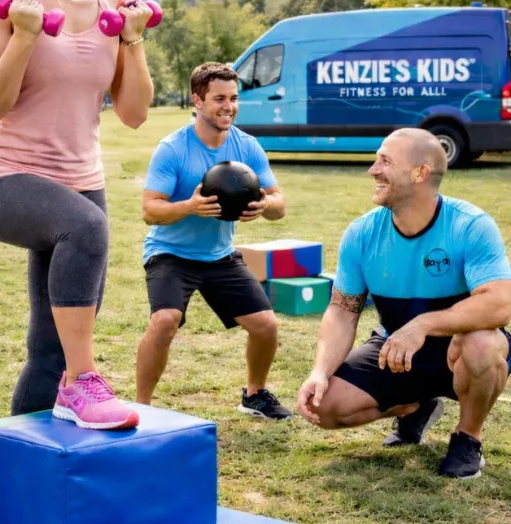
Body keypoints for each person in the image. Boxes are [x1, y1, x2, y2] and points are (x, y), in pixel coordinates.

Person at [0, 0, 154, 429]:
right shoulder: (4, 4)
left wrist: (134, 39)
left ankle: (18, 468)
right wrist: (24, 37)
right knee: (87, 231)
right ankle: (85, 383)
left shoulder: (113, 7)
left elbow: (135, 113)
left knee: (50, 347)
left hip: (80, 179)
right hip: (3, 179)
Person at [297, 128, 511, 478]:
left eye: (385, 161)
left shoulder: (470, 225)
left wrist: (422, 325)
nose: (372, 170)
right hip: (398, 352)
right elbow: (342, 310)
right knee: (325, 407)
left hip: (464, 348)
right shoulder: (361, 233)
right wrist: (319, 371)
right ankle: (416, 406)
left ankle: (467, 437)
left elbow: (500, 305)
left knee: (482, 343)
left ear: (420, 173)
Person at [136, 61, 293, 419]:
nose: (229, 106)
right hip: (171, 253)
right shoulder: (173, 148)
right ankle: (141, 406)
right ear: (197, 100)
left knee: (266, 325)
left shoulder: (247, 146)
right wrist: (190, 206)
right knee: (164, 321)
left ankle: (254, 394)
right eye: (219, 98)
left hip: (220, 256)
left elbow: (279, 204)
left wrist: (265, 204)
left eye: (234, 98)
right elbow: (150, 210)